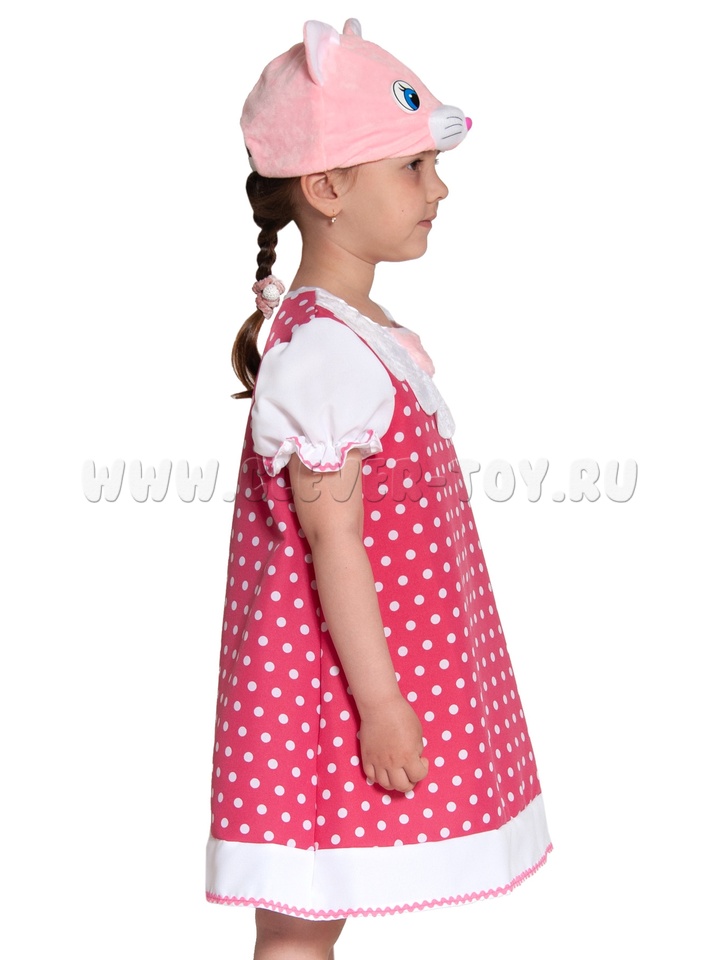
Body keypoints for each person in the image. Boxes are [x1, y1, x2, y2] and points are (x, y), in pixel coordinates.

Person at [206, 18, 552, 959]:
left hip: (361, 672)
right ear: (326, 189)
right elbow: (335, 543)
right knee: (301, 918)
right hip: (334, 688)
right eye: (412, 167)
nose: (438, 188)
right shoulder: (325, 353)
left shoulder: (356, 335)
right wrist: (382, 704)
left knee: (318, 906)